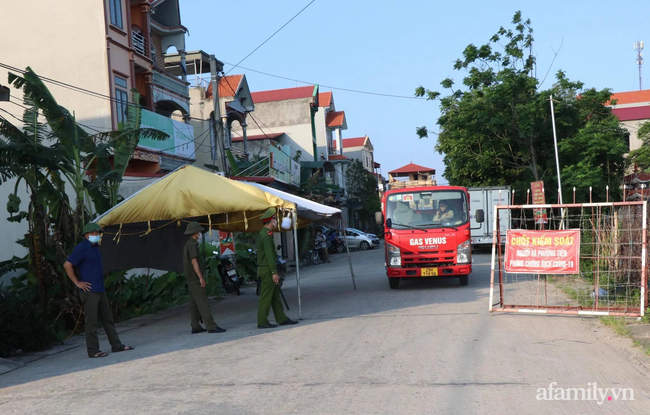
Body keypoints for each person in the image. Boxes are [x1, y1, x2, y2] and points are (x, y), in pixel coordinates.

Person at [63, 223, 134, 358]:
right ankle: (93, 350)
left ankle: (116, 345)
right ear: (86, 235)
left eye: (98, 233)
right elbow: (67, 265)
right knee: (92, 322)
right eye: (93, 233)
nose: (96, 236)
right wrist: (78, 283)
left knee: (108, 319)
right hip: (89, 291)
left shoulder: (96, 248)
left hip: (100, 289)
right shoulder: (82, 248)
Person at [257, 208, 298, 329]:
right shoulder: (266, 236)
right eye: (275, 219)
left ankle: (282, 318)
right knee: (266, 296)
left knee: (275, 296)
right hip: (268, 269)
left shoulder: (266, 234)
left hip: (267, 268)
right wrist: (274, 272)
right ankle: (262, 321)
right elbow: (269, 256)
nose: (276, 221)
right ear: (270, 221)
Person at [183, 222, 226, 334]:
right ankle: (211, 326)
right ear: (196, 233)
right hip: (195, 278)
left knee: (194, 303)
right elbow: (194, 261)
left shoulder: (188, 244)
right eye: (199, 232)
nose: (200, 233)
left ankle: (195, 325)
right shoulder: (192, 245)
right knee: (203, 303)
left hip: (190, 278)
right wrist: (201, 278)